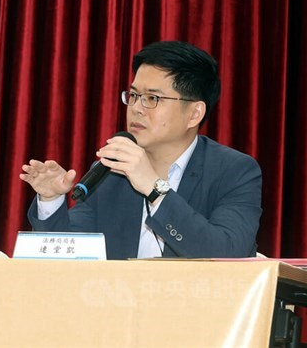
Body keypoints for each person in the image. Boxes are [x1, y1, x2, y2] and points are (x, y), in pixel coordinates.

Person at [19, 41, 262, 259]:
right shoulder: (110, 172)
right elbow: (72, 255)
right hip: (114, 304)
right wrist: (51, 200)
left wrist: (155, 189)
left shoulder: (234, 171)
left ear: (194, 113)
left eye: (152, 99)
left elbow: (228, 254)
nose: (136, 108)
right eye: (134, 95)